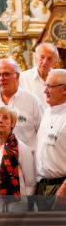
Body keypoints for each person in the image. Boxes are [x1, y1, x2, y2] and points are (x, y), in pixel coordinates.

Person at [0, 106, 36, 212]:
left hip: (16, 204)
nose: (0, 120)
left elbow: (30, 182)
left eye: (5, 118)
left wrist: (25, 203)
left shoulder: (21, 148)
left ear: (12, 123)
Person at [0, 59, 44, 149]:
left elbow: (43, 134)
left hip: (26, 161)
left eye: (6, 74)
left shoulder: (33, 101)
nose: (1, 78)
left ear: (17, 76)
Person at [35, 69, 66, 210]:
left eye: (49, 87)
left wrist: (64, 189)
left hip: (61, 187)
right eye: (45, 86)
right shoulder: (47, 111)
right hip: (42, 187)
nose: (45, 91)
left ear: (64, 89)